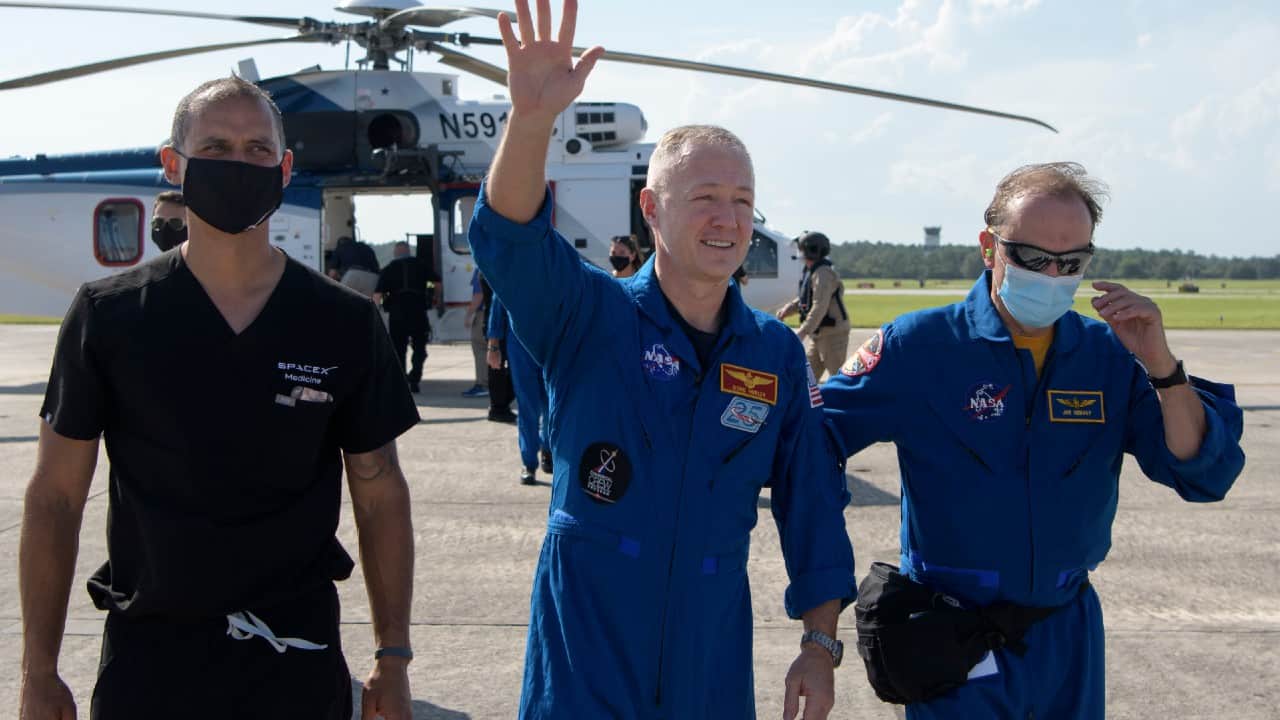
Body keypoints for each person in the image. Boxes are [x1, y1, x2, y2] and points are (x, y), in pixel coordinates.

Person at [469, 3, 856, 718]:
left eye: (743, 200)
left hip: (707, 650)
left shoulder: (772, 352)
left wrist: (819, 643)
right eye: (704, 197)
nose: (728, 219)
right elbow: (511, 239)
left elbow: (813, 504)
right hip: (587, 647)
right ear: (651, 209)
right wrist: (531, 120)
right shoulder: (589, 315)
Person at [18, 76, 420, 720]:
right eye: (217, 146)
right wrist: (39, 671)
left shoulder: (342, 321)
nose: (240, 163)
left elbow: (378, 490)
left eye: (258, 149)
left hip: (295, 657)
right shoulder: (109, 315)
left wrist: (392, 656)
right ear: (174, 165)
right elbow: (56, 496)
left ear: (286, 169)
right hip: (151, 663)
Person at [822, 162, 1246, 718]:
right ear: (988, 247)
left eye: (1071, 262)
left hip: (1064, 631)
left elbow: (1202, 471)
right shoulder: (920, 347)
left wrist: (1162, 366)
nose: (1051, 274)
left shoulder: (1108, 357)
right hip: (954, 631)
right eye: (1031, 257)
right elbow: (813, 443)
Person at [487, 294, 551, 485]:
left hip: (552, 342)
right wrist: (493, 345)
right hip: (520, 346)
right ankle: (529, 463)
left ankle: (548, 448)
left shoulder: (555, 265)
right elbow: (499, 301)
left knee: (553, 403)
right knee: (527, 405)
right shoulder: (512, 266)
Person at [776, 231, 849, 381]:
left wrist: (802, 332)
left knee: (839, 378)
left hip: (832, 335)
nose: (799, 252)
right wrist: (787, 310)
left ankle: (849, 404)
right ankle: (807, 405)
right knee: (807, 379)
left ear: (811, 250)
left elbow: (819, 306)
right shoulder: (814, 271)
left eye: (802, 249)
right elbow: (805, 299)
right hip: (819, 334)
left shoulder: (823, 273)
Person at [375, 240, 436, 393]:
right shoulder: (421, 265)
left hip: (397, 313)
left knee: (398, 349)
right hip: (418, 311)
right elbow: (438, 282)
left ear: (396, 253)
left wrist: (376, 313)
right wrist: (435, 299)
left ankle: (401, 381)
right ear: (409, 251)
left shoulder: (389, 268)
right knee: (420, 347)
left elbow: (377, 294)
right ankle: (415, 378)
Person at [461, 268, 491, 398]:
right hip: (496, 312)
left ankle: (483, 384)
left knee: (480, 348)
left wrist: (469, 314)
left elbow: (479, 294)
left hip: (483, 313)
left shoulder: (481, 266)